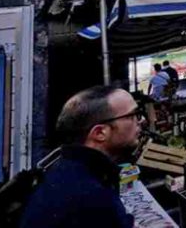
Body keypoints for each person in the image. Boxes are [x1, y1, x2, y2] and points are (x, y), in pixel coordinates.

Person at [19, 86, 143, 227]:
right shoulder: (93, 197)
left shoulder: (66, 168)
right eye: (133, 115)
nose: (142, 120)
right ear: (100, 133)